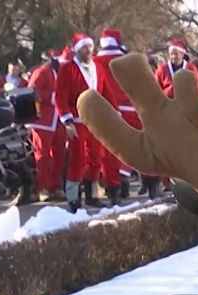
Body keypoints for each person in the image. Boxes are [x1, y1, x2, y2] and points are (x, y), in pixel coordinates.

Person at [56, 33, 104, 212]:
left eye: (90, 46)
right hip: (77, 121)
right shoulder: (67, 69)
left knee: (96, 157)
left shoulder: (98, 67)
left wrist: (115, 113)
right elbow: (60, 97)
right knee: (78, 158)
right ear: (77, 50)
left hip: (96, 121)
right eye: (85, 47)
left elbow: (105, 92)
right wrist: (67, 121)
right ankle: (73, 197)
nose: (89, 50)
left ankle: (92, 194)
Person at [94, 27, 131, 205]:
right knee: (125, 149)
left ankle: (110, 188)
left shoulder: (93, 62)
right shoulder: (125, 60)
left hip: (102, 110)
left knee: (105, 151)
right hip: (128, 109)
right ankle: (122, 183)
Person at [26, 49, 65, 202]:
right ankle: (42, 188)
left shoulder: (63, 73)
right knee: (43, 156)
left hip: (59, 120)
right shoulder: (42, 72)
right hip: (43, 121)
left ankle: (55, 187)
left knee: (59, 156)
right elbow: (32, 91)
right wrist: (53, 97)